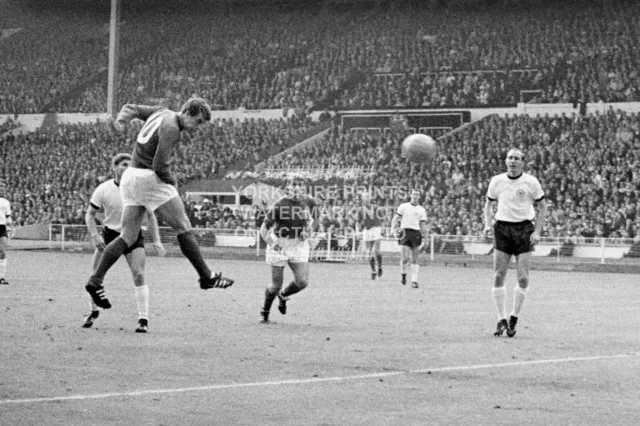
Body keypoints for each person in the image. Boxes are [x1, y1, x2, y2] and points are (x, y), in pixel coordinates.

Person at [85, 97, 234, 310]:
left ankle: (95, 281)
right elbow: (159, 165)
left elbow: (132, 107)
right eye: (198, 121)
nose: (198, 127)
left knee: (127, 236)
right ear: (187, 113)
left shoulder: (161, 111)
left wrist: (121, 121)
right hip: (147, 176)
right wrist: (172, 182)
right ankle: (206, 276)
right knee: (183, 226)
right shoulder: (172, 128)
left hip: (130, 177)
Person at [83, 153, 166, 332]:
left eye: (130, 164)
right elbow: (89, 214)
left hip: (133, 235)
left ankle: (143, 320)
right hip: (110, 236)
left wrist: (157, 240)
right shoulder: (104, 189)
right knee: (96, 275)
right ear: (115, 167)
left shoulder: (139, 189)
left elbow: (151, 216)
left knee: (138, 274)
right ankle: (93, 311)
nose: (127, 167)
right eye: (123, 164)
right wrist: (95, 236)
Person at [483, 148, 547, 338]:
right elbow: (488, 204)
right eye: (510, 158)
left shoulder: (531, 182)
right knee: (498, 275)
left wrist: (537, 231)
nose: (512, 161)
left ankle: (514, 318)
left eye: (517, 158)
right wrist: (488, 224)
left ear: (523, 162)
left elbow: (542, 206)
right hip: (502, 228)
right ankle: (501, 319)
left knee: (523, 278)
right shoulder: (497, 181)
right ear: (505, 161)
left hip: (523, 229)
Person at [259, 174, 317, 324]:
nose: (297, 187)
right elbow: (263, 230)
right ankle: (265, 313)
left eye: (300, 184)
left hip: (298, 244)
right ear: (288, 187)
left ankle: (283, 296)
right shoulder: (279, 205)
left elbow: (316, 219)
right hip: (280, 243)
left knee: (302, 282)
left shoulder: (309, 202)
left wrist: (309, 231)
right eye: (294, 184)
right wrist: (275, 245)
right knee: (276, 285)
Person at [390, 189, 428, 288]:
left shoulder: (421, 210)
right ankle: (403, 275)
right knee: (405, 258)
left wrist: (426, 238)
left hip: (416, 233)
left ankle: (414, 281)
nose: (415, 196)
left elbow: (423, 225)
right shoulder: (404, 206)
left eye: (417, 194)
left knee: (415, 259)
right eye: (414, 194)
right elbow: (395, 219)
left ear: (419, 197)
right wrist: (392, 230)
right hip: (405, 232)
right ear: (411, 195)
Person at [356, 192, 383, 280]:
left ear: (370, 198)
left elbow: (382, 218)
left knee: (377, 250)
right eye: (364, 197)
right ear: (362, 199)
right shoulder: (360, 210)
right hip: (367, 230)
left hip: (376, 229)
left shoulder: (376, 207)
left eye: (367, 197)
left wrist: (380, 228)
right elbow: (358, 221)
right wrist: (358, 230)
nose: (366, 199)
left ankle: (379, 266)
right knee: (369, 252)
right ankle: (373, 271)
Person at [0, 182, 13, 285]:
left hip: (1, 227)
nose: (1, 189)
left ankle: (1, 277)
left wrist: (10, 226)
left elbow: (8, 216)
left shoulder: (6, 202)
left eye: (3, 187)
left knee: (3, 251)